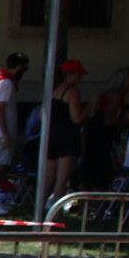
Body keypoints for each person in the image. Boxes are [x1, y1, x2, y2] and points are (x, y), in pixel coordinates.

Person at [0, 51, 29, 214]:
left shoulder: (1, 82)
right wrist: (5, 134)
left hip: (2, 131)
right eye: (24, 68)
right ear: (18, 67)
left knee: (2, 167)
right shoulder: (7, 84)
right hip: (2, 133)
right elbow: (0, 109)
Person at [43, 58, 89, 208]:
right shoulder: (73, 92)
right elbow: (76, 118)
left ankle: (40, 206)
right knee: (62, 178)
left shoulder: (53, 91)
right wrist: (89, 108)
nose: (81, 78)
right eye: (79, 74)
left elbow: (41, 115)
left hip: (51, 135)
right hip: (67, 137)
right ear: (72, 74)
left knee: (49, 176)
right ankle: (56, 212)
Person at [81, 66, 129, 189]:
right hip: (103, 137)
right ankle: (97, 196)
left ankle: (88, 198)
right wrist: (125, 123)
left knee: (90, 169)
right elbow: (108, 120)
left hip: (93, 134)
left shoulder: (103, 94)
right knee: (101, 169)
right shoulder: (116, 97)